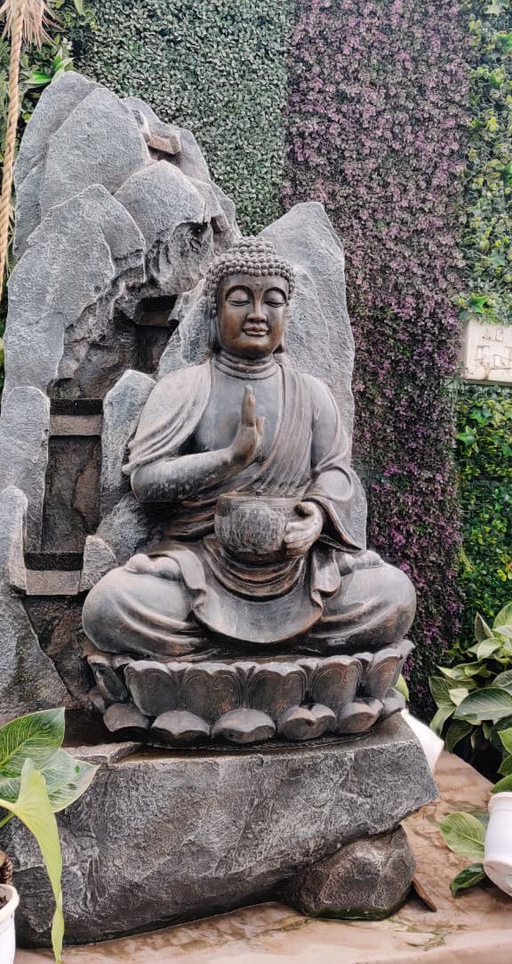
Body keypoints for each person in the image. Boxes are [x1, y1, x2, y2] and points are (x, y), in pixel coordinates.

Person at [82, 237, 415, 660]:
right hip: (200, 563)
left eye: (272, 301)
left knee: (392, 595)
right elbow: (146, 481)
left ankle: (211, 668)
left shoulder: (312, 394)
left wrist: (314, 516)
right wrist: (229, 459)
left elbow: (335, 471)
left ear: (286, 315)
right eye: (240, 300)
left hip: (299, 570)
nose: (258, 314)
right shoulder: (185, 387)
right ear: (214, 312)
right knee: (110, 607)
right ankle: (274, 665)